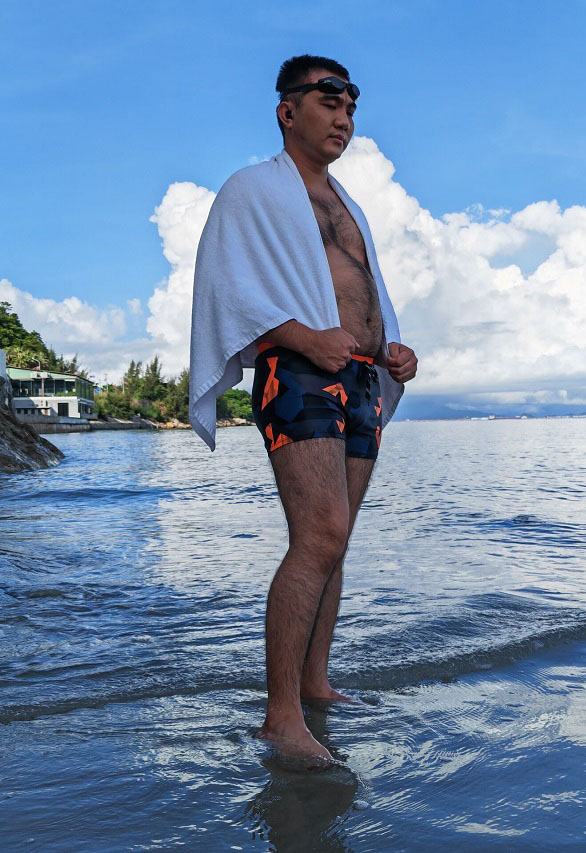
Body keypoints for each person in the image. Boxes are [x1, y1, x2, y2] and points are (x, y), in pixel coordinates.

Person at [190, 54, 418, 763]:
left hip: (361, 378)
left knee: (336, 539)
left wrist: (393, 348)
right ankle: (281, 717)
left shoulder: (349, 206)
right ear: (287, 111)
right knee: (319, 535)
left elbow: (363, 292)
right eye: (329, 101)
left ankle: (315, 684)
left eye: (351, 106)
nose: (343, 117)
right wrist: (304, 337)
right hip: (298, 371)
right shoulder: (253, 189)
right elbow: (227, 289)